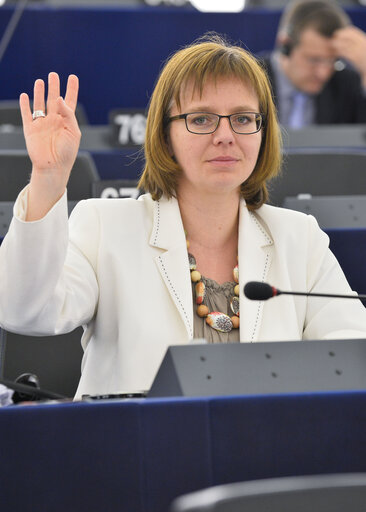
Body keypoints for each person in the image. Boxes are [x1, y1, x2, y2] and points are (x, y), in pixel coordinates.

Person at [0, 34, 365, 399]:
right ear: (165, 134)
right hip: (132, 449)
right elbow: (23, 310)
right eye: (202, 118)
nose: (225, 136)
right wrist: (48, 179)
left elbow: (351, 352)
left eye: (242, 118)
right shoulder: (104, 226)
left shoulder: (299, 236)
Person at [261, 0, 366, 127]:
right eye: (314, 60)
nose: (323, 73)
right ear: (285, 46)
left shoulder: (346, 84)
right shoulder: (249, 79)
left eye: (333, 61)